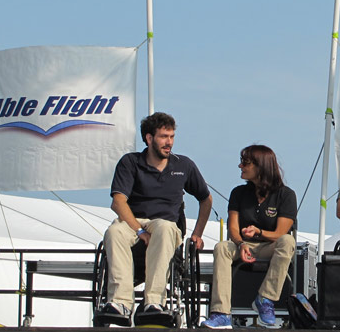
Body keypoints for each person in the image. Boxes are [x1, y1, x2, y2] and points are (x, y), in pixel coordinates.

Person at [101, 112, 213, 321]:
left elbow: (206, 199)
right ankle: (120, 303)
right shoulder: (130, 162)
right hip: (134, 221)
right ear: (149, 138)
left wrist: (197, 234)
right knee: (114, 231)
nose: (168, 142)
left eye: (171, 137)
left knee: (163, 227)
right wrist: (139, 230)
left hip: (165, 223)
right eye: (163, 137)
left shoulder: (184, 165)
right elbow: (118, 202)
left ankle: (154, 300)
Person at [201, 145, 297, 329]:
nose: (240, 166)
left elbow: (279, 233)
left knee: (288, 241)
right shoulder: (239, 192)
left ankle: (265, 299)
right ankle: (221, 313)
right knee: (222, 247)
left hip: (270, 246)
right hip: (242, 245)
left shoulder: (286, 195)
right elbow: (233, 228)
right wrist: (241, 243)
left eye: (245, 162)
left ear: (261, 166)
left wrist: (259, 232)